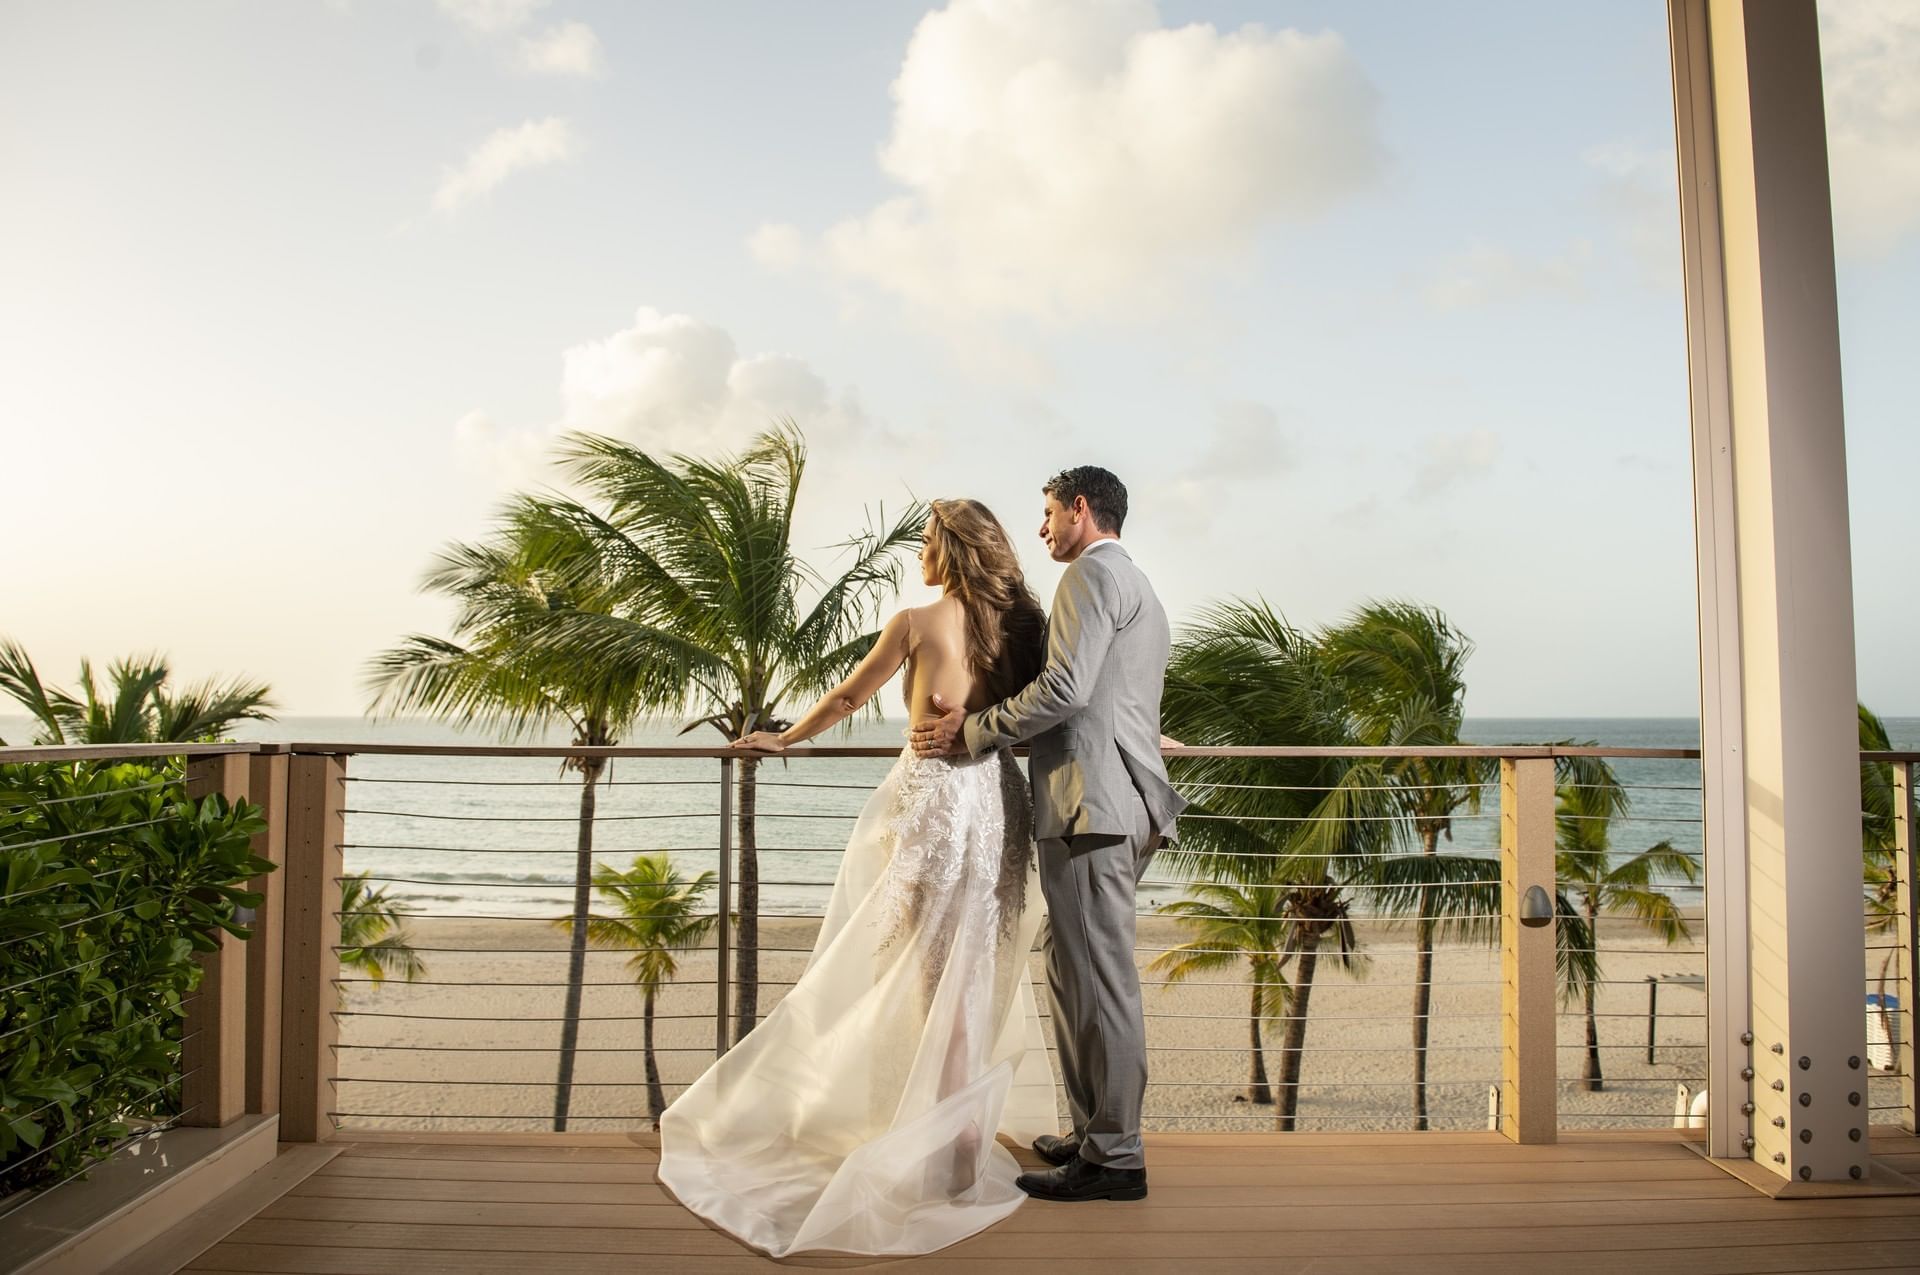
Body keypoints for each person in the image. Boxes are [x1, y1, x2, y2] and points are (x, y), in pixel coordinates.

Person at [657, 498, 1058, 1257]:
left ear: (949, 550)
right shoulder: (1018, 627)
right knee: (970, 967)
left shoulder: (915, 621)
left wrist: (784, 736)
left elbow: (850, 695)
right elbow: (1054, 704)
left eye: (927, 543)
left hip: (938, 798)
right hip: (996, 797)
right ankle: (954, 1130)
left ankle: (942, 1132)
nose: (920, 555)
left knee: (919, 972)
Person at [911, 465, 1184, 1203]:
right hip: (1107, 800)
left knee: (1102, 982)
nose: (1042, 529)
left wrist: (972, 731)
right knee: (1075, 975)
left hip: (1091, 805)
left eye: (1049, 513)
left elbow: (1066, 690)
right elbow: (1120, 698)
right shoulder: (1142, 588)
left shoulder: (1090, 581)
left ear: (1081, 509)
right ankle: (1095, 1131)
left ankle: (1117, 1156)